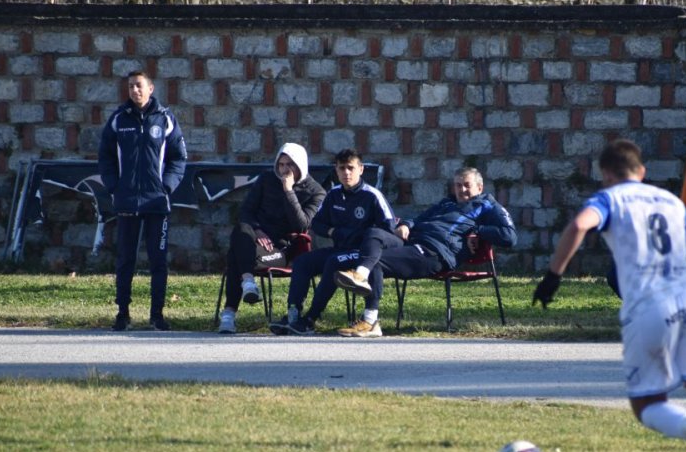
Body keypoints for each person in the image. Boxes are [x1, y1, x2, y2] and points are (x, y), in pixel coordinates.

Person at [531, 139, 686, 452]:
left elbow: (579, 226)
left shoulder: (609, 199)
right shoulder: (672, 202)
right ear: (642, 171)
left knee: (647, 404)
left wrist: (554, 276)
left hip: (650, 307)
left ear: (605, 174)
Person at [333, 166, 517, 337]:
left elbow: (509, 237)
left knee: (376, 261)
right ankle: (361, 274)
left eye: (466, 186)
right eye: (458, 185)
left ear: (480, 186)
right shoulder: (447, 203)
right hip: (412, 243)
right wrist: (406, 224)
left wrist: (478, 230)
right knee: (374, 234)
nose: (461, 190)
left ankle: (370, 322)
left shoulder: (488, 206)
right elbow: (420, 218)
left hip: (434, 254)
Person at [269, 148, 398, 336]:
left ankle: (311, 319)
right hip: (340, 248)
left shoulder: (372, 195)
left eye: (350, 168)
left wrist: (363, 237)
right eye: (341, 168)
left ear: (361, 169)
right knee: (303, 262)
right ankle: (293, 314)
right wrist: (333, 231)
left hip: (362, 254)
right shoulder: (333, 194)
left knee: (334, 262)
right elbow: (317, 223)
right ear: (336, 170)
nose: (346, 173)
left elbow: (389, 229)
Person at [98, 70, 187, 332]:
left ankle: (157, 315)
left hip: (156, 203)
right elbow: (105, 157)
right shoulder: (118, 119)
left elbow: (178, 158)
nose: (134, 90)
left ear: (150, 89)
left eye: (138, 86)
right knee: (125, 259)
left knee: (158, 260)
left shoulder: (166, 119)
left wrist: (167, 187)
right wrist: (114, 186)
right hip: (126, 203)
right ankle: (123, 313)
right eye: (130, 86)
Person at [216, 143, 326, 334]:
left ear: (300, 165)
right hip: (255, 241)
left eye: (290, 165)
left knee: (236, 256)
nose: (285, 170)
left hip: (282, 250)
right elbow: (246, 212)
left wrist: (289, 191)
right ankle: (248, 282)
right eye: (281, 164)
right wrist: (258, 231)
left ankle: (229, 313)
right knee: (241, 230)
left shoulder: (316, 192)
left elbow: (301, 225)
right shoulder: (266, 179)